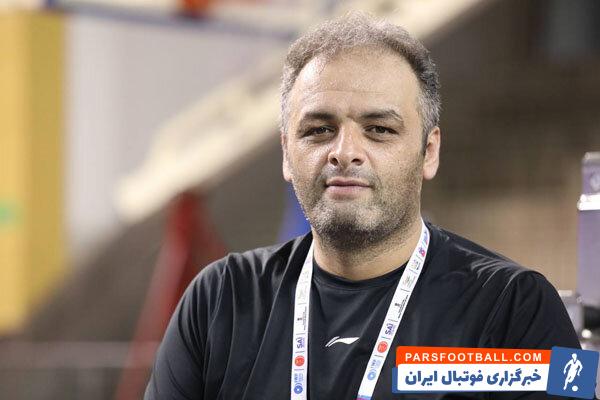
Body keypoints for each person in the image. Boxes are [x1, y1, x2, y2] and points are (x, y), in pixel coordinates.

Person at [144, 12, 580, 400]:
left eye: (379, 129)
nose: (345, 152)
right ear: (286, 154)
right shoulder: (219, 299)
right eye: (319, 129)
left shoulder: (518, 305)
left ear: (429, 152)